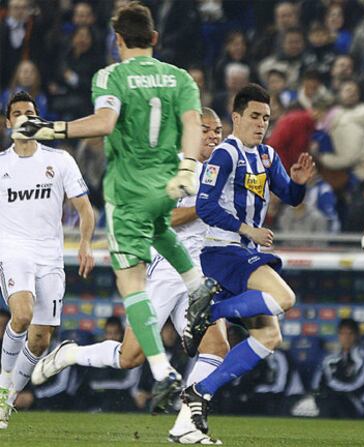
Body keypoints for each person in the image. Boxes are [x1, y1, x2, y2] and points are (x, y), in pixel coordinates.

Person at [13, 2, 220, 413]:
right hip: (166, 185)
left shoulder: (111, 74)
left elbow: (105, 123)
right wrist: (188, 167)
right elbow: (194, 124)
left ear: (117, 40)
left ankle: (163, 373)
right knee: (162, 230)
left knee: (132, 287)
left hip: (127, 193)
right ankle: (198, 286)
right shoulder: (179, 77)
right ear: (155, 39)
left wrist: (51, 129)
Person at [32, 108, 227, 445]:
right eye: (207, 130)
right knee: (130, 357)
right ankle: (71, 354)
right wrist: (204, 207)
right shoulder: (171, 165)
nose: (214, 136)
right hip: (165, 269)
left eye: (219, 131)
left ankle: (186, 424)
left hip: (199, 273)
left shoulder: (220, 168)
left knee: (217, 346)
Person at [181, 84, 314, 435]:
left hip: (245, 254)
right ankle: (209, 311)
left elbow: (290, 195)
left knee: (270, 337)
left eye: (266, 118)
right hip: (223, 252)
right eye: (254, 116)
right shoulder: (226, 154)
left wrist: (299, 184)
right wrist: (247, 229)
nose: (261, 124)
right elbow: (206, 206)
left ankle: (201, 391)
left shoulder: (268, 157)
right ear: (236, 116)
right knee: (285, 298)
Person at [0, 91, 95, 429]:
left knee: (41, 339)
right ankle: (1, 387)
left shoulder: (61, 160)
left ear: (38, 119)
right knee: (22, 315)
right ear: (8, 122)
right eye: (18, 113)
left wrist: (84, 243)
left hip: (50, 256)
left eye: (30, 112)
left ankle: (8, 398)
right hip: (13, 250)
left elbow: (85, 208)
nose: (24, 117)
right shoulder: (1, 166)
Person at [311, 319, 364, 419]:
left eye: (350, 334)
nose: (346, 338)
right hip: (331, 398)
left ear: (357, 335)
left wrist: (333, 386)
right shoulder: (330, 358)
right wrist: (318, 393)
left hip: (357, 402)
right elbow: (317, 383)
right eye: (343, 334)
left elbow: (359, 386)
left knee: (333, 401)